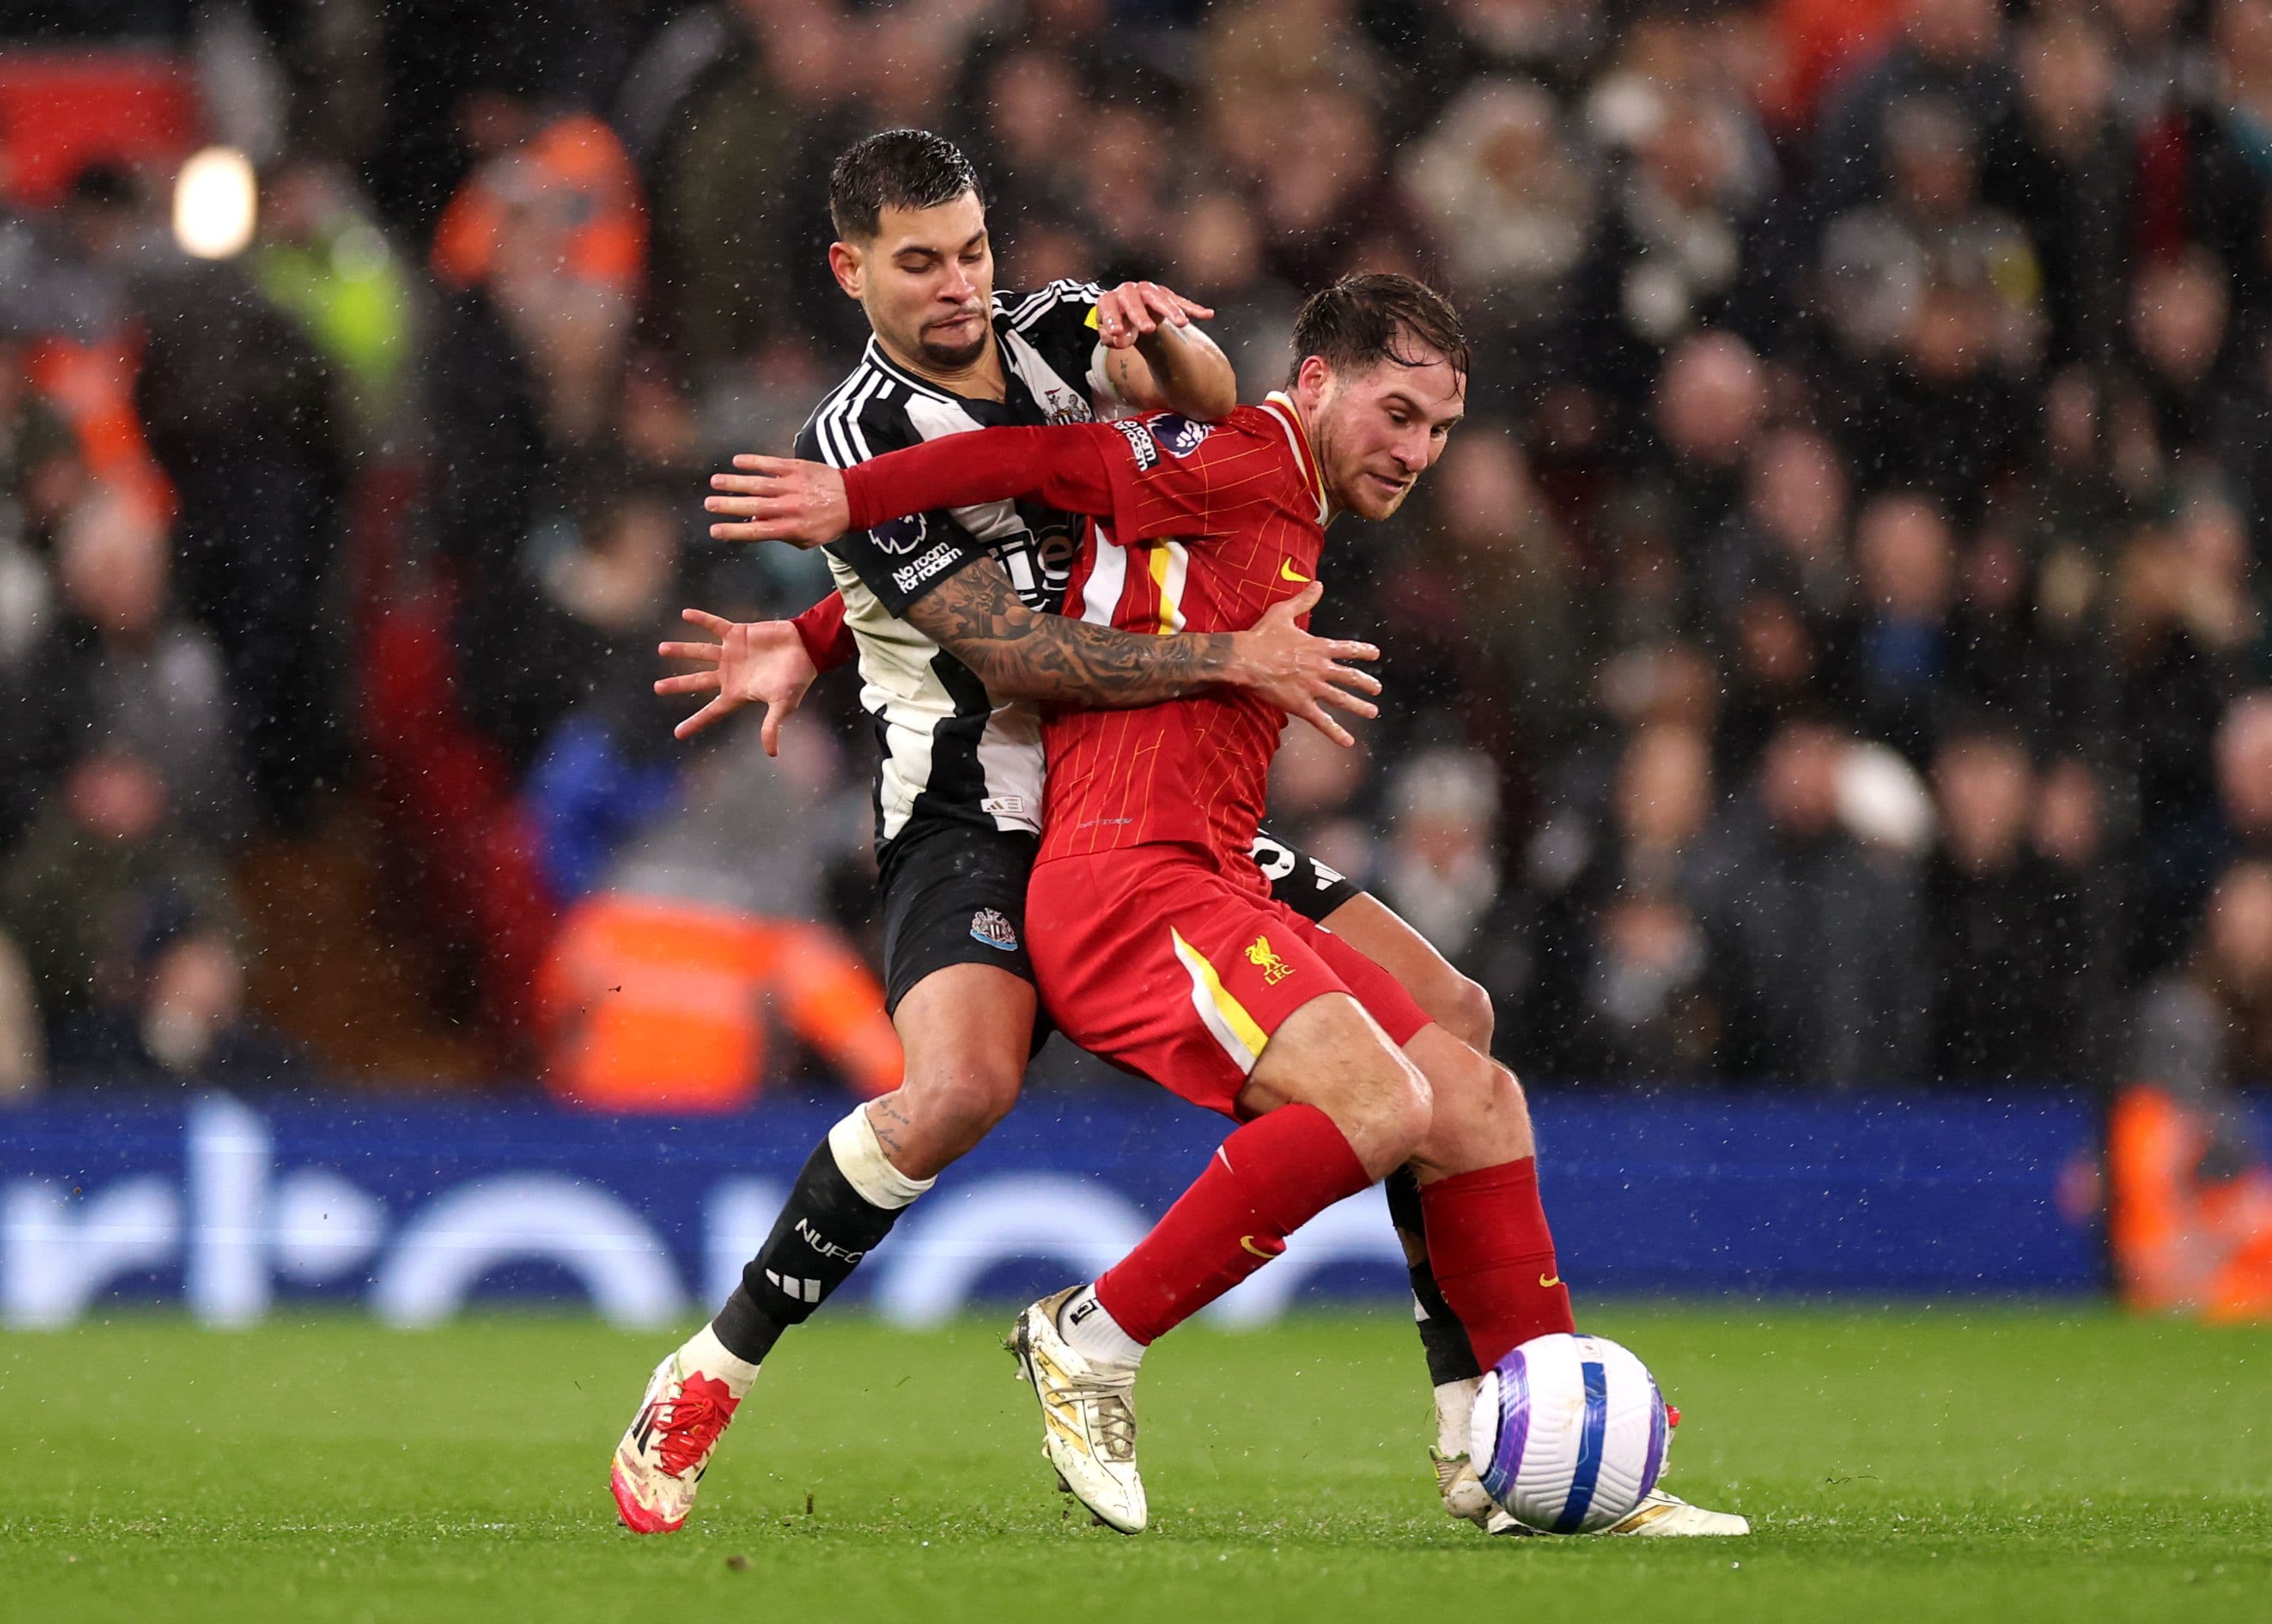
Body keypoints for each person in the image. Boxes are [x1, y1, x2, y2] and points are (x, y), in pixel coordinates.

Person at [706, 271, 1747, 1537]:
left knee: (1474, 1089)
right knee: (1380, 1102)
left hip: (1206, 861)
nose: (1416, 451)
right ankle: (1090, 1335)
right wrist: (853, 498)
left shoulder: (1276, 489)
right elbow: (1045, 461)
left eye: (1439, 430)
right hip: (1130, 876)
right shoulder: (1244, 459)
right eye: (1397, 414)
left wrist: (821, 630)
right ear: (1313, 383)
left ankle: (1523, 1441)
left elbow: (1039, 552)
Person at [611, 132, 1516, 1537]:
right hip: (971, 806)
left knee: (1447, 1020)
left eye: (972, 250)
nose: (959, 285)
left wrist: (1162, 339)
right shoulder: (856, 441)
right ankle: (713, 1367)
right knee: (960, 1090)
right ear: (851, 272)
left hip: (1141, 793)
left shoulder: (1050, 328)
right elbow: (1018, 650)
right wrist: (1231, 656)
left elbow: (1204, 427)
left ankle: (1477, 1419)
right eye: (920, 263)